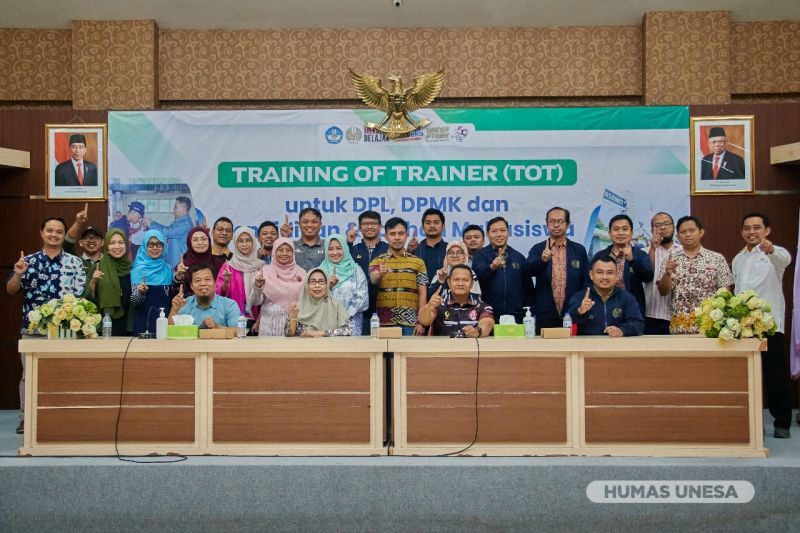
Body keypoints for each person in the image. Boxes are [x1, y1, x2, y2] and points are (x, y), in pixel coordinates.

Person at [6, 216, 85, 434]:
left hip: (64, 331)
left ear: (64, 235)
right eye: (49, 230)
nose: (54, 235)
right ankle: (26, 419)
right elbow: (11, 290)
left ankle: (62, 417)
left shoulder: (74, 262)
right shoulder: (27, 261)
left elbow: (81, 295)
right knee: (29, 376)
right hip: (33, 330)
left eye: (59, 231)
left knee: (63, 375)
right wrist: (18, 274)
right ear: (41, 233)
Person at [732, 212, 792, 438]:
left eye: (757, 227)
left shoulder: (775, 254)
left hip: (769, 325)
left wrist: (771, 249)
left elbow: (784, 260)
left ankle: (782, 422)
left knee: (774, 374)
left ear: (767, 230)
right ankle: (752, 422)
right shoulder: (737, 259)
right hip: (743, 328)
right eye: (747, 228)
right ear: (742, 232)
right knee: (747, 375)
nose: (751, 232)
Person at [657, 215, 734, 334]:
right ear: (677, 236)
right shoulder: (670, 258)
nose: (688, 234)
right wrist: (667, 274)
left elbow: (725, 293)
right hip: (680, 327)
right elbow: (663, 292)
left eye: (692, 230)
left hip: (709, 327)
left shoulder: (717, 259)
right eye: (683, 232)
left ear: (701, 232)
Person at [527, 207, 589, 331]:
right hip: (545, 313)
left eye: (560, 221)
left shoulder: (579, 250)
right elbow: (528, 270)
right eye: (552, 221)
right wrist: (542, 261)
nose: (556, 225)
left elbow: (586, 280)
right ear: (547, 224)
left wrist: (580, 304)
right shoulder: (538, 249)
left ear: (568, 224)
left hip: (573, 312)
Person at [369, 217, 428, 335]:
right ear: (386, 236)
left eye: (401, 233)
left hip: (411, 324)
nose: (397, 237)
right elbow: (373, 279)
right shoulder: (377, 261)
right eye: (392, 234)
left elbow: (423, 292)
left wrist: (421, 322)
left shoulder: (418, 262)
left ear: (406, 235)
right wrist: (379, 274)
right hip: (384, 323)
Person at [472, 216, 534, 323]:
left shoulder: (519, 257)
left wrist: (528, 311)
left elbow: (528, 288)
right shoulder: (480, 256)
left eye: (502, 230)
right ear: (488, 234)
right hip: (488, 316)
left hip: (517, 317)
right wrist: (492, 267)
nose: (499, 234)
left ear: (508, 232)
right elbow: (478, 278)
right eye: (494, 231)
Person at [567, 255, 644, 337]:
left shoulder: (627, 298)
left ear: (617, 275)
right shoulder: (580, 297)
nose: (605, 277)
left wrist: (622, 330)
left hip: (617, 343)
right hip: (587, 344)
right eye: (600, 272)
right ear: (591, 275)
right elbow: (568, 322)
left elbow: (638, 325)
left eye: (609, 273)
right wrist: (580, 311)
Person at [593, 214, 653, 319]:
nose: (620, 233)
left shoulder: (640, 254)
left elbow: (648, 277)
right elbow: (591, 283)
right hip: (604, 312)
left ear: (631, 233)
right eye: (616, 229)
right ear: (609, 233)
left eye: (625, 229)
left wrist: (633, 260)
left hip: (632, 313)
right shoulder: (600, 256)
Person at [418, 265, 495, 338]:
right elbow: (424, 321)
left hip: (471, 347)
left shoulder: (482, 306)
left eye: (465, 280)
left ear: (472, 284)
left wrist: (477, 331)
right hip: (443, 347)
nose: (460, 284)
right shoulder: (439, 303)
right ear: (449, 283)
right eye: (456, 280)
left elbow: (487, 324)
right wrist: (429, 307)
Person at [347, 210, 389, 333]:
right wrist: (348, 244)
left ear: (380, 227)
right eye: (365, 224)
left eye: (374, 223)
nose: (370, 226)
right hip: (360, 310)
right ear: (360, 227)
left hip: (385, 308)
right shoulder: (353, 250)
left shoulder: (388, 249)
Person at [319, 234, 369, 335]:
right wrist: (328, 287)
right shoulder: (320, 272)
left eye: (339, 248)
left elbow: (362, 298)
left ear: (345, 249)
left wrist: (345, 316)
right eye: (330, 249)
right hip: (326, 324)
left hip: (351, 324)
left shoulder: (356, 270)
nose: (335, 252)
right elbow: (313, 299)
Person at [256, 237, 307, 336]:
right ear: (274, 252)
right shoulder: (264, 272)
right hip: (269, 329)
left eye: (288, 250)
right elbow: (256, 302)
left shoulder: (302, 273)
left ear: (293, 253)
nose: (284, 253)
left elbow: (306, 302)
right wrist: (257, 287)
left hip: (294, 328)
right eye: (280, 250)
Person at [88, 228, 133, 336]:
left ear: (126, 245)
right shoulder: (98, 266)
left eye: (120, 242)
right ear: (107, 246)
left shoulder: (132, 268)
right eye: (112, 243)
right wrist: (93, 282)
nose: (117, 246)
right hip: (106, 321)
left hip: (129, 322)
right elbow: (88, 299)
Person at [216, 227, 264, 327]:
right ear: (235, 243)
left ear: (253, 242)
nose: (244, 244)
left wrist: (259, 320)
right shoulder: (228, 266)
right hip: (232, 319)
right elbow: (219, 295)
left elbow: (267, 298)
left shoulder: (261, 266)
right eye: (240, 241)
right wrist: (226, 282)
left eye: (248, 240)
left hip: (256, 321)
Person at [285, 268, 354, 337]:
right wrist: (293, 318)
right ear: (307, 285)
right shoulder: (298, 307)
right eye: (313, 282)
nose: (317, 285)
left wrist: (322, 333)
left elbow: (348, 330)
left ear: (327, 285)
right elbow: (288, 334)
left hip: (329, 344)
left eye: (321, 282)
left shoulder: (336, 305)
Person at [169, 263, 240, 329]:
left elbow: (237, 331)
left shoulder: (229, 305)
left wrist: (217, 327)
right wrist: (174, 310)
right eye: (198, 280)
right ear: (191, 286)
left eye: (207, 279)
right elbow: (170, 331)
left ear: (215, 283)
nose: (203, 283)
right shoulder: (184, 304)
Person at [130, 230, 174, 335]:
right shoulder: (138, 270)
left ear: (163, 247)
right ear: (144, 246)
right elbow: (135, 301)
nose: (155, 248)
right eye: (150, 245)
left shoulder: (169, 269)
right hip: (143, 323)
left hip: (165, 322)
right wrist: (140, 292)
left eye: (159, 244)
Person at [644, 212, 681, 334]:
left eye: (666, 224)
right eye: (658, 225)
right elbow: (647, 274)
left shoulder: (683, 252)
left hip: (677, 316)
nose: (663, 228)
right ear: (652, 230)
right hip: (650, 315)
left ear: (673, 227)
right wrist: (653, 248)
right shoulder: (644, 252)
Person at [173, 227, 225, 296]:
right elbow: (175, 293)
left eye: (203, 239)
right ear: (189, 243)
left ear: (209, 241)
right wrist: (178, 276)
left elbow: (225, 292)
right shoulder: (182, 266)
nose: (200, 243)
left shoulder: (218, 263)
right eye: (195, 240)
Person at [145, 196, 194, 268]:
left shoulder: (185, 224)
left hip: (179, 263)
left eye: (176, 207)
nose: (173, 209)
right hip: (174, 261)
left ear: (183, 209)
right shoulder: (179, 222)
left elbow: (167, 232)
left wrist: (151, 224)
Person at [412, 208, 448, 283]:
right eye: (428, 223)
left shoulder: (450, 250)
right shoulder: (415, 251)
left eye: (436, 222)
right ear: (422, 227)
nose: (432, 226)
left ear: (443, 226)